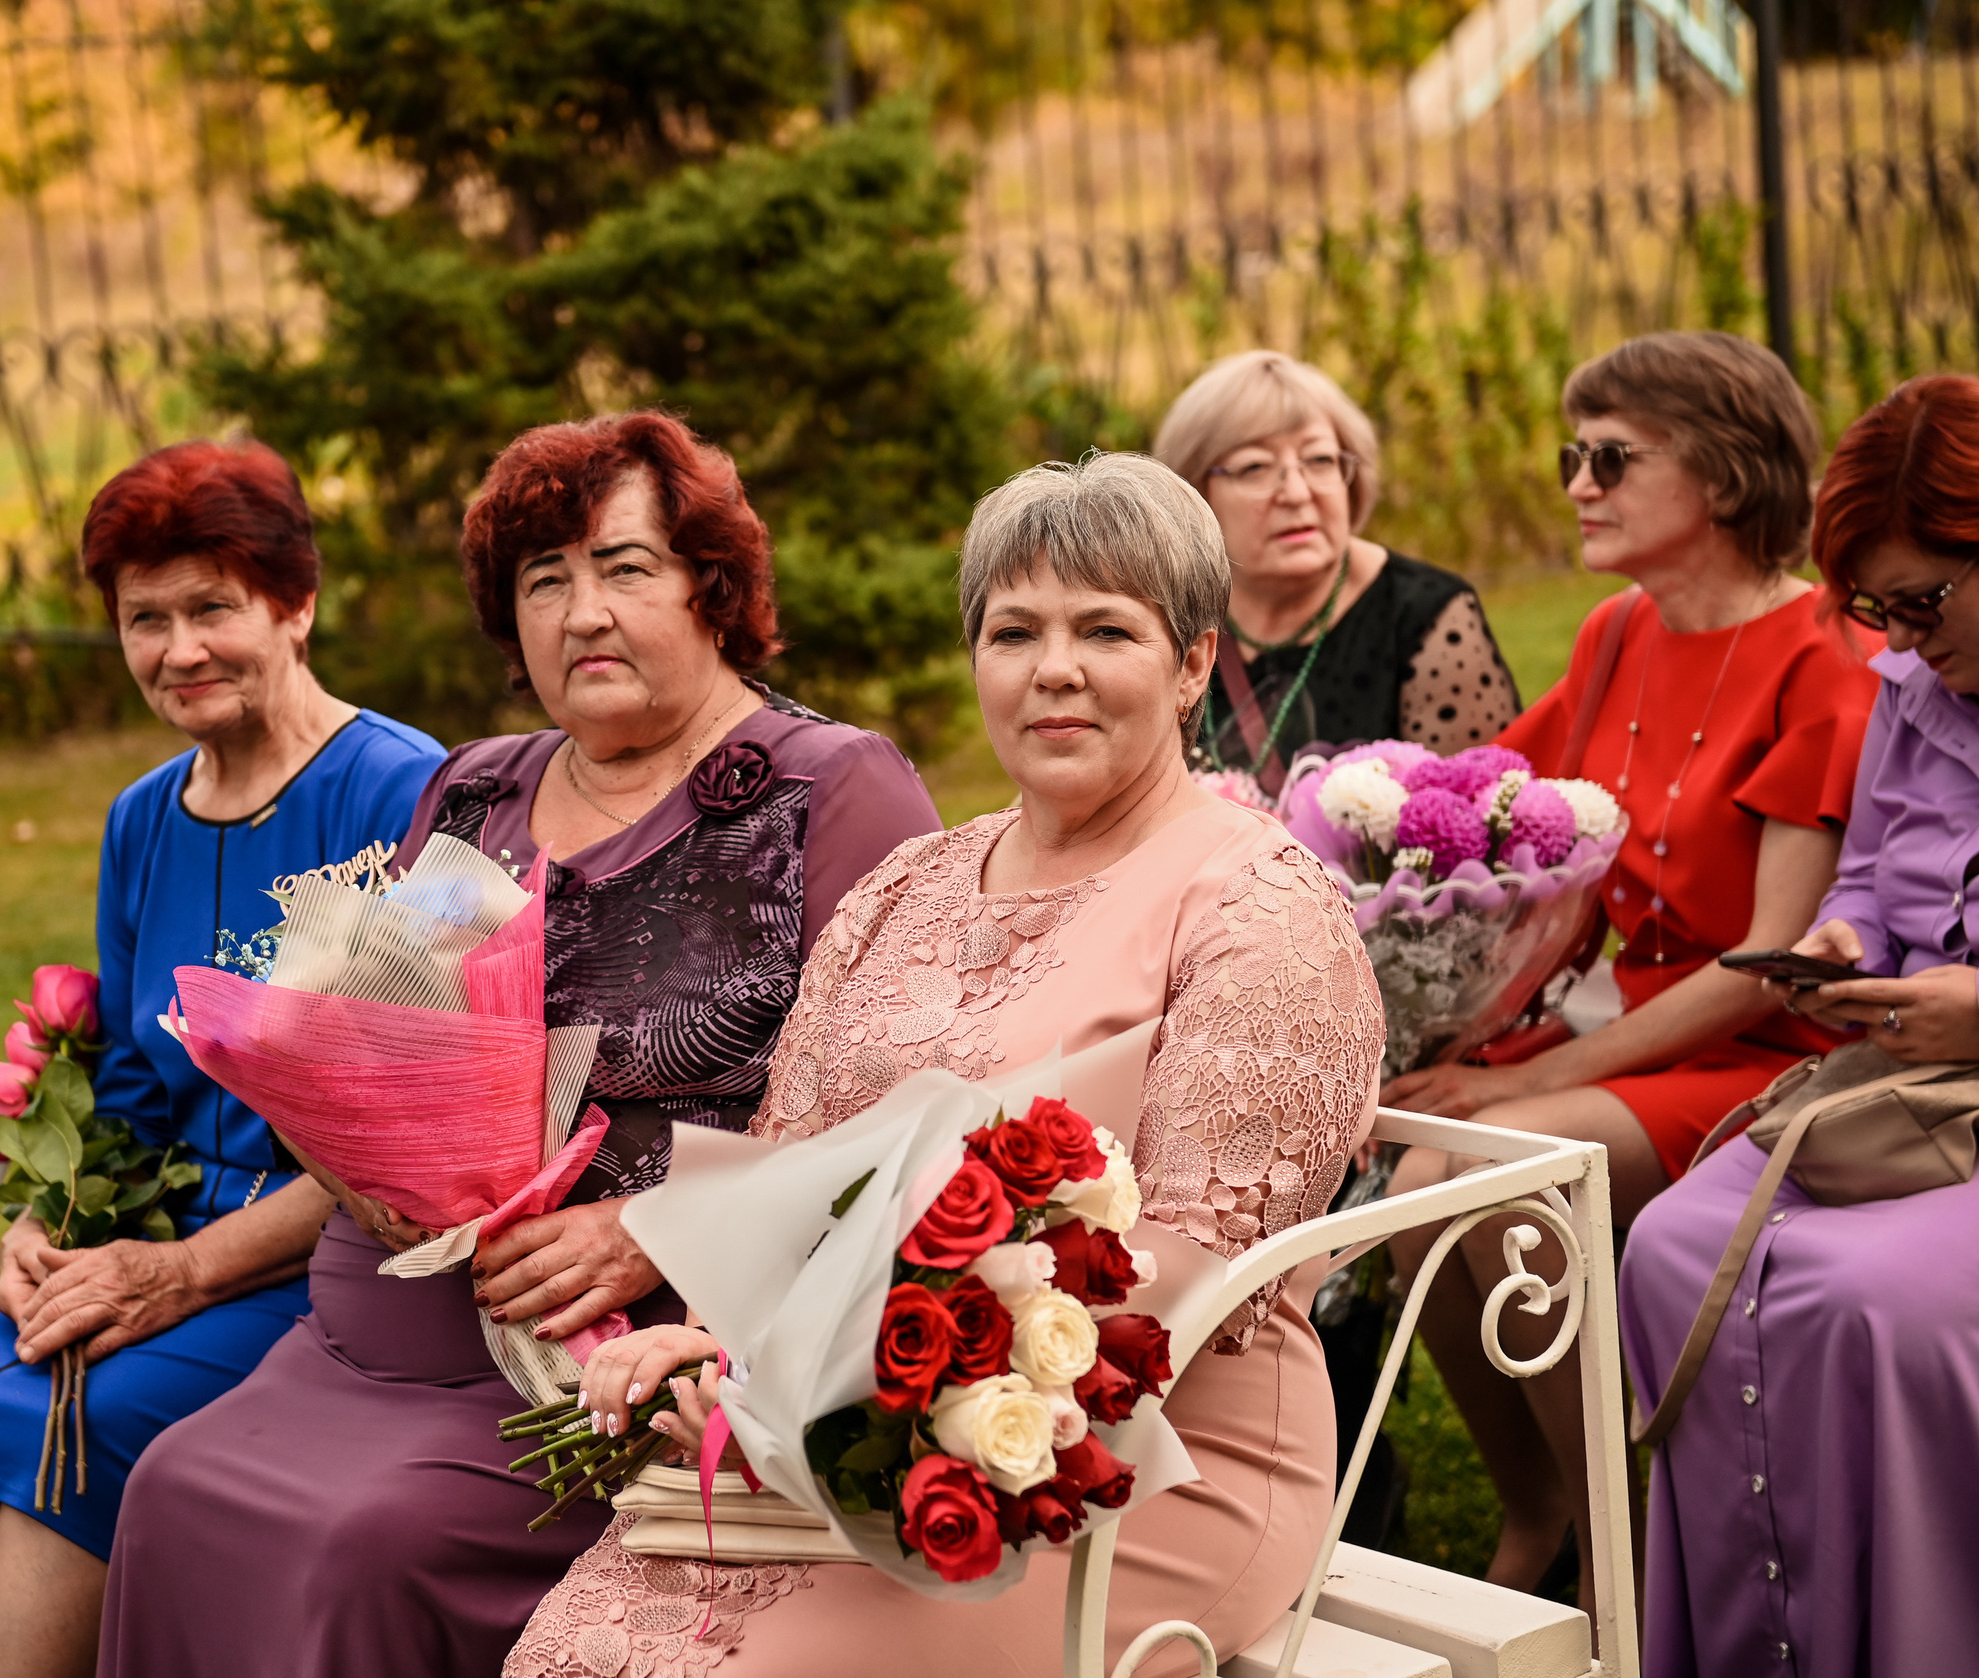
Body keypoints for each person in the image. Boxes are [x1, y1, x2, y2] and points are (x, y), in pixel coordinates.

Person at [506, 451, 1387, 1678]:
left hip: (1125, 1462)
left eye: (1105, 630)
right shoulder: (903, 887)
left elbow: (1187, 1283)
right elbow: (781, 1166)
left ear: (1192, 663)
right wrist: (714, 1349)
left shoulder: (1257, 909)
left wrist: (844, 1395)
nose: (1053, 669)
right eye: (1013, 632)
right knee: (570, 1653)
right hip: (823, 1431)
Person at [95, 411, 942, 1677]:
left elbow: (901, 1114)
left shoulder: (827, 790)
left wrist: (652, 1228)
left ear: (712, 589)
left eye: (625, 568)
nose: (583, 612)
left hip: (603, 1359)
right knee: (174, 1487)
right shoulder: (477, 790)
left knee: (363, 1545)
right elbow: (385, 1037)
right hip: (374, 1328)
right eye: (545, 580)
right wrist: (354, 1151)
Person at [0, 440, 444, 1678]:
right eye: (144, 619)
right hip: (151, 1244)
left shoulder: (404, 790)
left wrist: (186, 1272)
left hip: (328, 1260)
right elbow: (124, 1094)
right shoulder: (141, 818)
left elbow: (406, 1136)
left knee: (87, 1419)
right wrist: (45, 1219)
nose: (179, 649)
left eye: (213, 607)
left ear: (297, 603)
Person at [1381, 332, 1878, 1607]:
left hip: (1780, 1052)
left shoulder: (1820, 656)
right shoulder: (1615, 634)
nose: (1575, 485)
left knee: (1497, 1177)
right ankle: (1541, 1506)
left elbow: (1772, 967)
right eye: (1573, 455)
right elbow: (1490, 808)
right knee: (1415, 1179)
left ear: (1720, 472)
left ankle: (1636, 1550)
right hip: (1640, 1030)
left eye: (1609, 458)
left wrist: (1524, 1084)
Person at [1619, 373, 1979, 1677]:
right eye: (1877, 610)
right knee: (1667, 1245)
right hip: (1898, 1091)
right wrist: (1843, 943)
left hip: (1944, 1094)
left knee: (1871, 1295)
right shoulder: (1909, 690)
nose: (1901, 637)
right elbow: (1870, 876)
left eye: (1922, 599)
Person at [1153, 349, 1519, 789]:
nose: (1296, 492)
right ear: (1193, 492)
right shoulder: (1162, 617)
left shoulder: (1428, 617)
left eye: (1320, 460)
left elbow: (1479, 812)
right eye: (1255, 467)